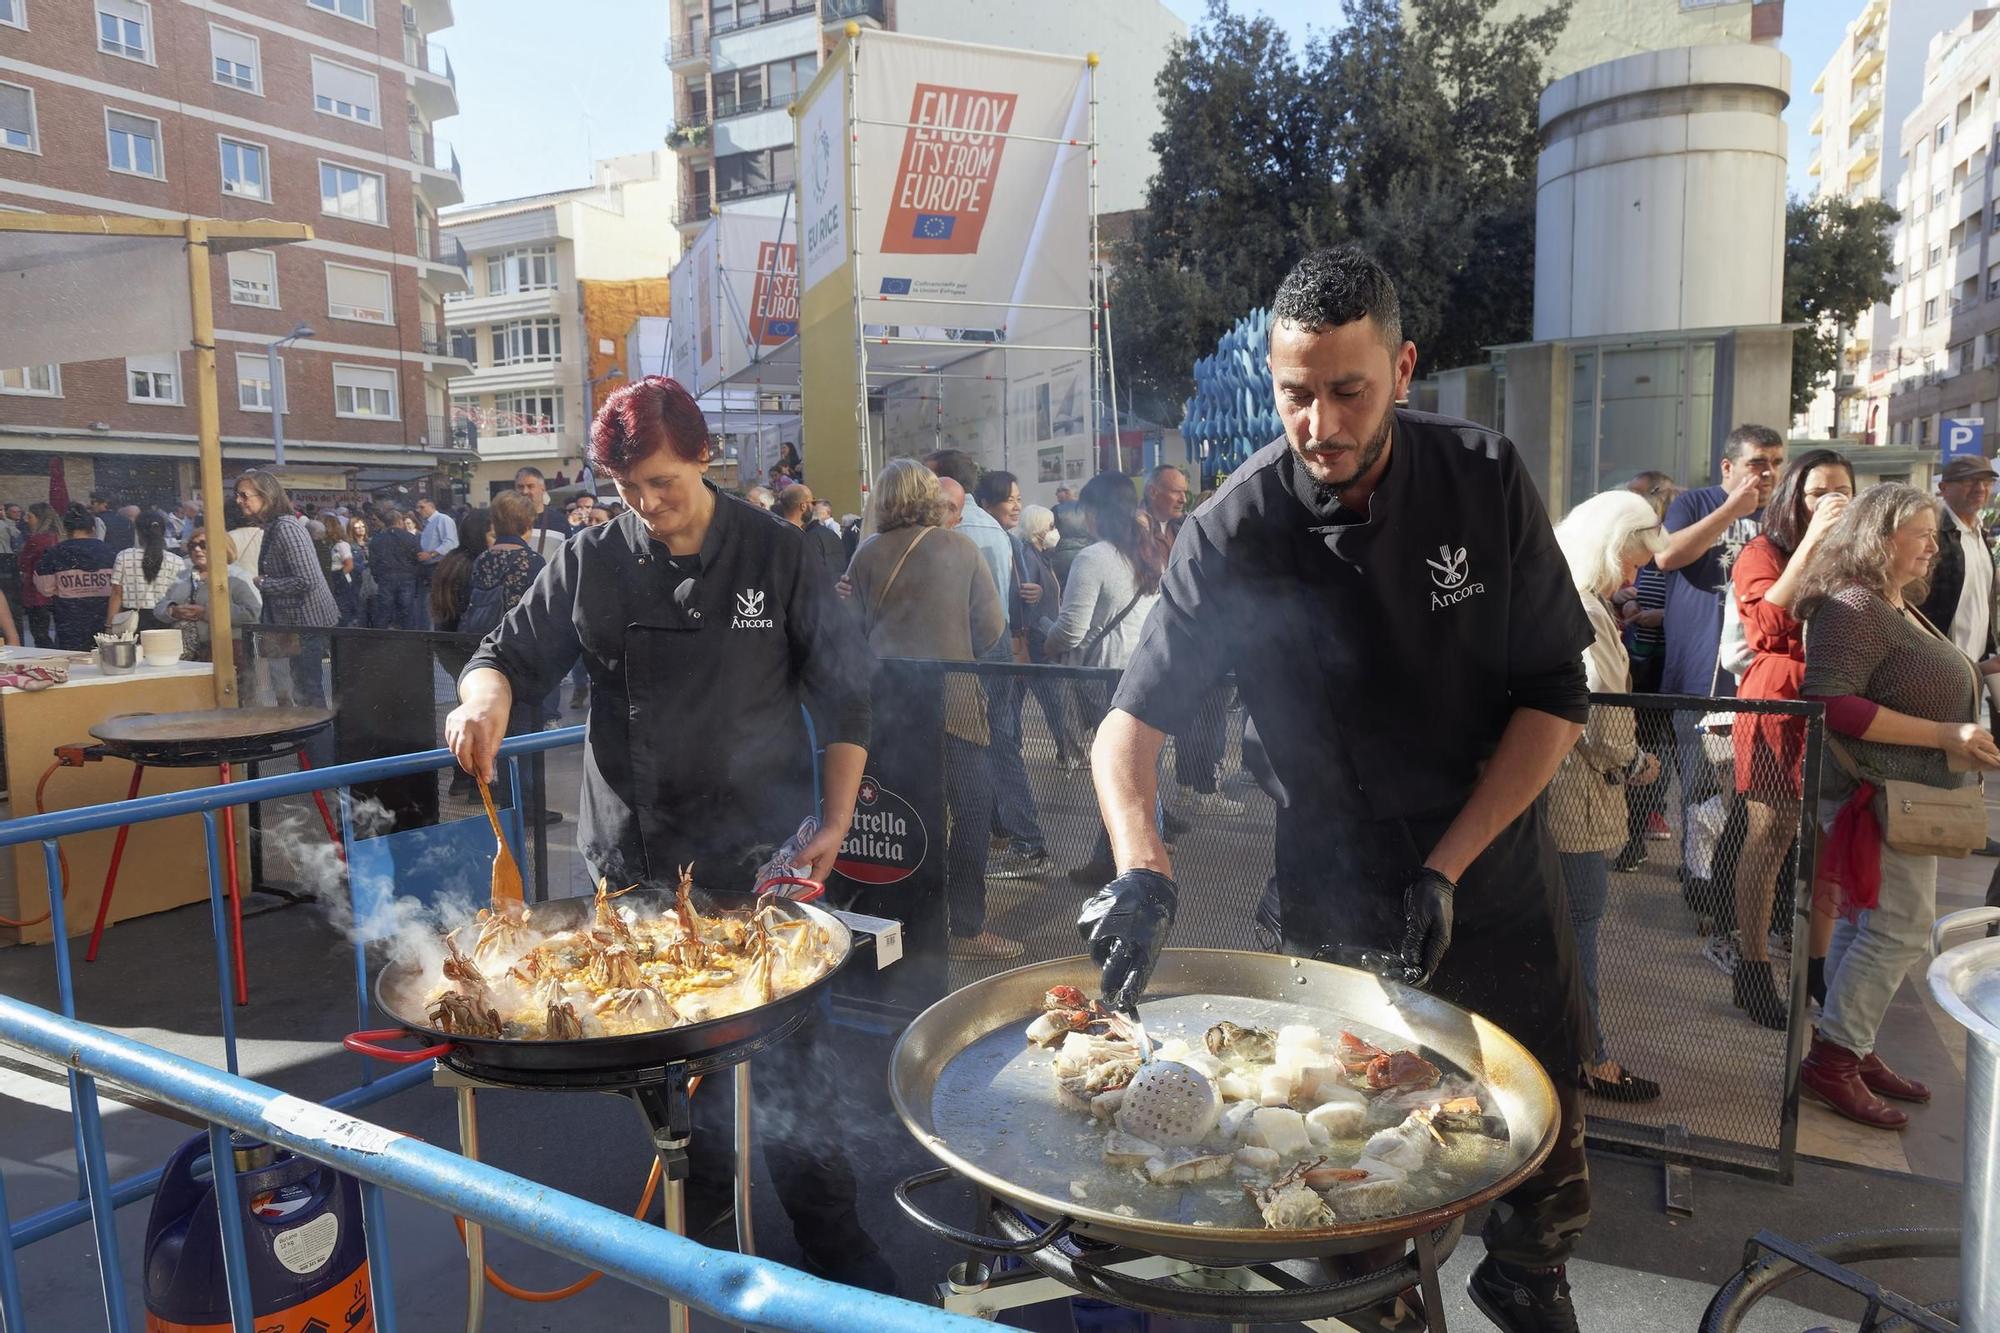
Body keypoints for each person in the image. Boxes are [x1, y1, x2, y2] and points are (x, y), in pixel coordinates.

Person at [1080, 248, 1593, 1329]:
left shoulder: (1481, 476)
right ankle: (1377, 1301)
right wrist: (1140, 864)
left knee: (1538, 1125)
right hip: (1334, 882)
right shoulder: (1234, 524)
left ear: (1401, 368)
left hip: (1489, 866)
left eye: (1347, 390)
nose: (1319, 422)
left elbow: (1552, 695)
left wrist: (1446, 867)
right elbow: (1127, 723)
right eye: (1295, 394)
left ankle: (1527, 1273)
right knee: (1342, 1151)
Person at [445, 375, 887, 1291]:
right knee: (670, 1069)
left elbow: (845, 693)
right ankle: (705, 1241)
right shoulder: (592, 561)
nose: (647, 507)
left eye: (662, 484)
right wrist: (480, 704)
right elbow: (503, 655)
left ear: (703, 459)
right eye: (627, 490)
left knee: (795, 1064)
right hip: (637, 866)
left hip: (762, 860)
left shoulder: (780, 554)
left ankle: (833, 1239)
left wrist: (837, 820)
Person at [1798, 483, 2000, 1129]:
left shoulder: (1895, 604)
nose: (1933, 546)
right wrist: (1946, 735)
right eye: (1921, 532)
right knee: (1899, 928)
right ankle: (1834, 1061)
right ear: (1880, 535)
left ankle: (1850, 1046)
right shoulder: (1854, 605)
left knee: (1870, 925)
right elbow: (1831, 702)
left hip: (1904, 796)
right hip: (1879, 798)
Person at [847, 458, 1014, 959]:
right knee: (970, 809)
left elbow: (852, 630)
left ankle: (907, 922)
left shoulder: (867, 555)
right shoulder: (960, 548)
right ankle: (966, 928)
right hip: (955, 702)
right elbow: (991, 629)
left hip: (889, 703)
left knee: (904, 812)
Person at [1550, 490, 1670, 1103]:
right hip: (1576, 801)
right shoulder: (1585, 608)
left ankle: (1571, 1053)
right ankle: (1588, 1058)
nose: (1635, 573)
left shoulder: (1564, 596)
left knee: (1569, 932)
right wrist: (1639, 763)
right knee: (1580, 934)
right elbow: (1599, 717)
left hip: (1564, 794)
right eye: (1632, 558)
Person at [1727, 450, 1854, 1028]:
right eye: (1817, 493)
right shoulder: (1763, 552)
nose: (1831, 503)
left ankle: (1818, 965)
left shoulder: (1857, 556)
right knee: (1771, 835)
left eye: (1842, 492)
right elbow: (1766, 626)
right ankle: (1751, 966)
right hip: (1779, 705)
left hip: (1840, 707)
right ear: (1793, 499)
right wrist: (1813, 540)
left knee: (1831, 837)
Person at [1658, 426, 1787, 918]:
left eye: (1776, 461)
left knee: (1755, 794)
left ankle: (1739, 883)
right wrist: (1733, 510)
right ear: (1728, 468)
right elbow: (1667, 555)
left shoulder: (1780, 518)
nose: (1769, 472)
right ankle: (1700, 881)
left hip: (1759, 680)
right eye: (1758, 462)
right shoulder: (1695, 504)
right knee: (1700, 788)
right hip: (1699, 678)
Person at [1048, 471, 1169, 887]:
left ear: (1094, 512)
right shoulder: (1149, 550)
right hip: (1147, 673)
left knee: (1114, 772)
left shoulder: (1093, 557)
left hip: (1105, 679)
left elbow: (1071, 630)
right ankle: (1136, 852)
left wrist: (1044, 637)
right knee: (1135, 769)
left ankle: (1121, 865)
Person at [968, 469, 1052, 879]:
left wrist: (1034, 596)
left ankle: (1025, 839)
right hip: (1005, 654)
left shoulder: (1011, 543)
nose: (1017, 505)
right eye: (1009, 499)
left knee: (1000, 746)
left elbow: (1038, 595)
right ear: (987, 503)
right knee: (1004, 743)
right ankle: (1007, 830)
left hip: (998, 655)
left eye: (1019, 498)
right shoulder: (1003, 541)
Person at [1610, 472, 1679, 869]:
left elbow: (1694, 609)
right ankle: (1635, 832)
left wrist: (1663, 616)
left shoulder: (1677, 547)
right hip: (1635, 657)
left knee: (1655, 748)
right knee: (1640, 745)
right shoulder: (1636, 545)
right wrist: (1624, 601)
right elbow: (1618, 588)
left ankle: (1639, 830)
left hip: (1665, 666)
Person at [236, 470, 338, 710]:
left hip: (305, 624)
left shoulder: (286, 528)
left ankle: (318, 743)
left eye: (244, 495)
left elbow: (307, 579)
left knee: (307, 690)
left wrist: (264, 583)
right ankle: (314, 742)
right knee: (303, 689)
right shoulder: (277, 526)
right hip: (298, 625)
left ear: (266, 496)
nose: (239, 501)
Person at [1918, 455, 1998, 682]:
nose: (1980, 488)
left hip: (1977, 663)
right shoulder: (1932, 534)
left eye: (1986, 482)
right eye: (1968, 481)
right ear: (1943, 488)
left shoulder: (1979, 532)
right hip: (1940, 666)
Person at [1018, 504, 1082, 769]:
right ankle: (1071, 754)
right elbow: (1029, 605)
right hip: (1040, 642)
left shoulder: (1040, 557)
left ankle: (1068, 753)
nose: (1055, 532)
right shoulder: (1030, 559)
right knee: (1056, 701)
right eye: (1051, 526)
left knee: (1055, 701)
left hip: (1042, 639)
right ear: (1037, 530)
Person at [160, 531, 261, 661]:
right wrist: (172, 610)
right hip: (183, 655)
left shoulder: (238, 577)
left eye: (203, 545)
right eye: (192, 545)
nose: (197, 549)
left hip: (224, 652)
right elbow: (161, 605)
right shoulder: (182, 576)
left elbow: (253, 613)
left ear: (222, 547)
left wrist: (206, 613)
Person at [36, 504, 121, 650]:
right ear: (93, 529)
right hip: (104, 617)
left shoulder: (54, 553)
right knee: (104, 659)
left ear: (66, 530)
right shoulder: (111, 552)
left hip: (69, 620)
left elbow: (46, 589)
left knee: (73, 663)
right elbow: (120, 587)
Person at [113, 511, 187, 627]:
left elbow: (117, 595)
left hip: (131, 621)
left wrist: (109, 625)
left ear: (138, 532)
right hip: (166, 619)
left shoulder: (124, 557)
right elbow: (181, 595)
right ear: (162, 531)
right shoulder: (177, 561)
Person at [775, 482, 845, 582]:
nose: (814, 507)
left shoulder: (801, 538)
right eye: (812, 503)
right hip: (834, 594)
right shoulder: (831, 534)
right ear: (803, 506)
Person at [368, 506, 423, 630]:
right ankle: (408, 639)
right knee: (407, 611)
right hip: (407, 578)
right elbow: (417, 558)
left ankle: (380, 639)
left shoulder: (377, 540)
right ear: (399, 521)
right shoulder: (410, 538)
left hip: (385, 578)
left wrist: (378, 577)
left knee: (384, 611)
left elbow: (373, 562)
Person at [414, 497, 458, 629]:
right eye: (417, 507)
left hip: (438, 565)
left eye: (422, 507)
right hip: (427, 566)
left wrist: (431, 554)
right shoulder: (427, 523)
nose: (419, 510)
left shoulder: (443, 519)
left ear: (431, 506)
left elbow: (451, 543)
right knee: (429, 602)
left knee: (437, 600)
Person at [19, 502, 58, 647]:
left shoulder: (35, 540)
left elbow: (24, 564)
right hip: (57, 592)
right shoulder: (57, 537)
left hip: (36, 594)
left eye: (29, 516)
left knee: (40, 634)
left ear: (39, 518)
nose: (26, 520)